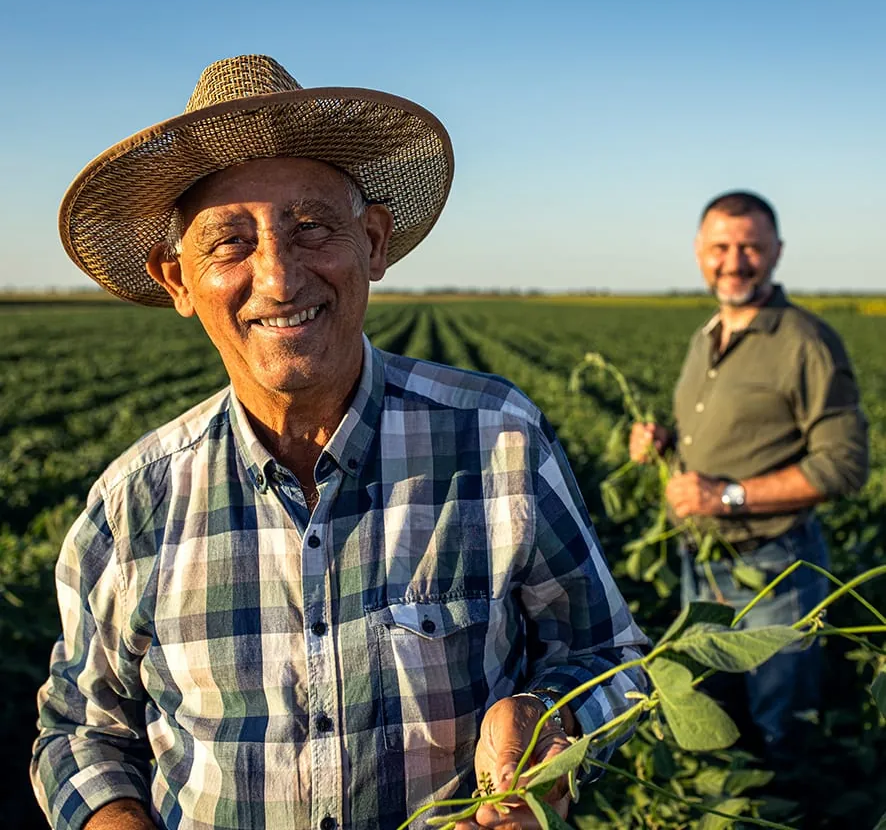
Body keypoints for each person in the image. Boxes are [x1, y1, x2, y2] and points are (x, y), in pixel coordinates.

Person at [31, 55, 649, 830]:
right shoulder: (135, 503)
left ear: (375, 242)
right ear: (177, 282)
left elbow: (615, 660)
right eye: (229, 243)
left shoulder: (497, 440)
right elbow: (82, 732)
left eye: (312, 227)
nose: (281, 277)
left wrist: (549, 723)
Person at [630, 190, 869, 773]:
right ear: (698, 252)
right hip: (703, 564)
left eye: (751, 247)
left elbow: (844, 465)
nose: (734, 261)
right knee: (717, 712)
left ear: (776, 252)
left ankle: (787, 808)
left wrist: (725, 496)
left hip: (774, 570)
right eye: (720, 247)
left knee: (778, 722)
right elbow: (715, 433)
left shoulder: (805, 342)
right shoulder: (705, 336)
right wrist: (664, 440)